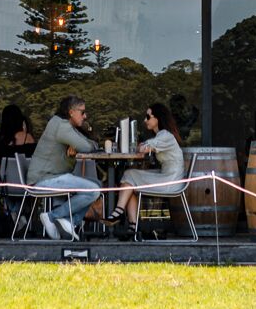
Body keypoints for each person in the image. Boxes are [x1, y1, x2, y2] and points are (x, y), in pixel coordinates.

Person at [26, 95, 103, 240]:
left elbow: (89, 143)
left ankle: (67, 222)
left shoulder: (65, 125)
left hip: (52, 176)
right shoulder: (61, 126)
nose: (85, 116)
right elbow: (86, 146)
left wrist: (79, 150)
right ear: (71, 112)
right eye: (82, 112)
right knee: (93, 190)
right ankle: (54, 217)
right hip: (43, 180)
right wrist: (87, 145)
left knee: (97, 185)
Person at [103, 103, 186, 236]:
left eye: (148, 117)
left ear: (157, 118)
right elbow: (144, 146)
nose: (145, 120)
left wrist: (142, 146)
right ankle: (131, 226)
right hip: (168, 177)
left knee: (129, 175)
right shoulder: (162, 135)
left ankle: (119, 212)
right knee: (130, 180)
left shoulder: (165, 135)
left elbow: (144, 148)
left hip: (171, 181)